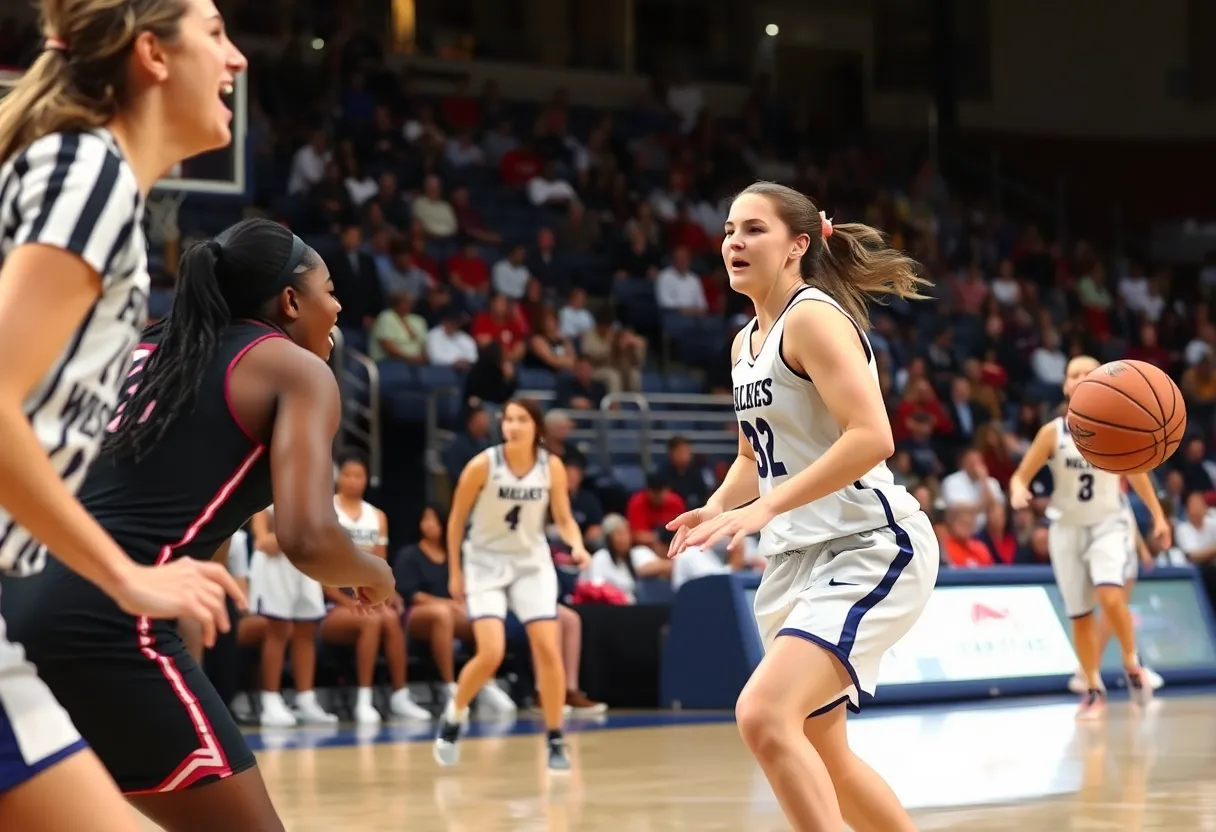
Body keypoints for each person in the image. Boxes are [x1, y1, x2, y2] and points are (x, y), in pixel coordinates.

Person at [1, 218, 396, 832]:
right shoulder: (295, 369)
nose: (339, 305)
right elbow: (309, 539)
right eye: (329, 288)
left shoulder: (145, 349)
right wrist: (374, 573)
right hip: (106, 624)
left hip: (16, 607)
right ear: (291, 301)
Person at [0, 3, 254, 830]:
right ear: (151, 52)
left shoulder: (72, 173)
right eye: (215, 32)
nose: (237, 59)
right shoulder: (89, 177)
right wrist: (124, 575)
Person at [666, 181, 938, 832]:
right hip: (793, 559)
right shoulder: (742, 344)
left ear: (798, 245)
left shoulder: (812, 317)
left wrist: (762, 509)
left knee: (762, 715)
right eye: (730, 229)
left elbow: (872, 435)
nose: (734, 241)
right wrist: (718, 507)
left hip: (868, 543)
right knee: (823, 750)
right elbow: (748, 460)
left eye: (754, 229)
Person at [1009, 354, 1172, 719]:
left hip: (1108, 523)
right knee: (1080, 616)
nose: (1080, 377)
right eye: (1074, 374)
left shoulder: (1122, 428)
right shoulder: (1053, 432)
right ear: (1067, 386)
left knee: (1110, 594)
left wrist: (1158, 516)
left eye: (1088, 372)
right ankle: (1094, 688)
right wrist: (1019, 491)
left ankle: (1132, 663)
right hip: (1065, 528)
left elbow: (1139, 474)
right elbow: (1020, 475)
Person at [435, 399, 591, 772]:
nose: (513, 426)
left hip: (530, 562)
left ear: (536, 426)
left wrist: (577, 544)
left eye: (521, 420)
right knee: (491, 652)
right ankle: (455, 713)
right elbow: (455, 521)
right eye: (508, 419)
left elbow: (564, 518)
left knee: (548, 650)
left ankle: (555, 736)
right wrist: (455, 572)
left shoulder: (550, 466)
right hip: (485, 561)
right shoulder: (483, 465)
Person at [323, 450, 431, 722]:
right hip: (331, 598)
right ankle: (364, 699)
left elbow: (379, 564)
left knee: (391, 618)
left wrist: (386, 593)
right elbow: (321, 569)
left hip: (364, 593)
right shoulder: (326, 511)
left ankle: (400, 696)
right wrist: (345, 601)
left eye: (358, 475)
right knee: (371, 621)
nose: (352, 480)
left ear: (366, 479)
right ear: (338, 477)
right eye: (347, 474)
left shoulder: (377, 516)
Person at [245, 507, 339, 727]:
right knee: (278, 630)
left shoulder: (310, 485)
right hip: (276, 565)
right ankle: (270, 700)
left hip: (305, 561)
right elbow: (263, 541)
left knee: (307, 630)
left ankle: (305, 699)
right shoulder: (267, 489)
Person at [1066, 494, 1165, 696]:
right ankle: (1119, 667)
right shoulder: (1095, 479)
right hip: (1109, 547)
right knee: (1113, 610)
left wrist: (1141, 548)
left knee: (1115, 613)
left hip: (1124, 545)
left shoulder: (1119, 486)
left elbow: (1127, 515)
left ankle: (1091, 669)